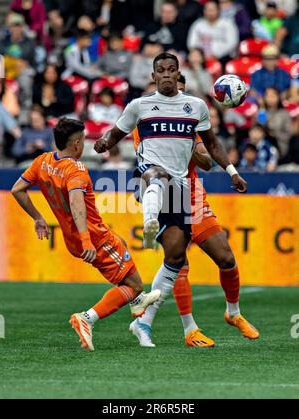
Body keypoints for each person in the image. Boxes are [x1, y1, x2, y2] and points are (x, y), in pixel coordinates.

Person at [94, 52, 249, 346]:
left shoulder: (196, 107)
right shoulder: (140, 106)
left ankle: (144, 322)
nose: (166, 74)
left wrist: (231, 171)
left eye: (171, 70)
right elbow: (114, 134)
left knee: (176, 259)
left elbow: (211, 147)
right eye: (160, 70)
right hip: (148, 179)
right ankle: (149, 223)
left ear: (178, 74)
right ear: (153, 76)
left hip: (182, 191)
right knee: (156, 174)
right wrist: (102, 143)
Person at [129, 74, 259, 347]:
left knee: (225, 257)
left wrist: (192, 143)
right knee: (177, 263)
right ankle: (189, 329)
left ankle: (233, 313)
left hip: (193, 195)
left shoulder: (192, 120)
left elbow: (207, 162)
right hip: (167, 195)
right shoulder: (146, 121)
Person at [11, 117, 161, 351]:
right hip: (92, 236)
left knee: (120, 245)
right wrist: (86, 240)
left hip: (75, 238)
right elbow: (76, 202)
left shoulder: (42, 161)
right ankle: (87, 318)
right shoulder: (76, 169)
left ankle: (136, 302)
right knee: (135, 284)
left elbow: (17, 189)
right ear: (77, 144)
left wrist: (38, 218)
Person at [187, 0, 239, 66]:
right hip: (202, 59)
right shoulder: (198, 24)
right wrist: (200, 55)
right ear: (204, 11)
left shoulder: (227, 24)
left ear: (218, 10)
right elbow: (192, 44)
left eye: (212, 10)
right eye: (208, 10)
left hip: (224, 58)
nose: (210, 13)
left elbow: (232, 43)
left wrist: (216, 54)